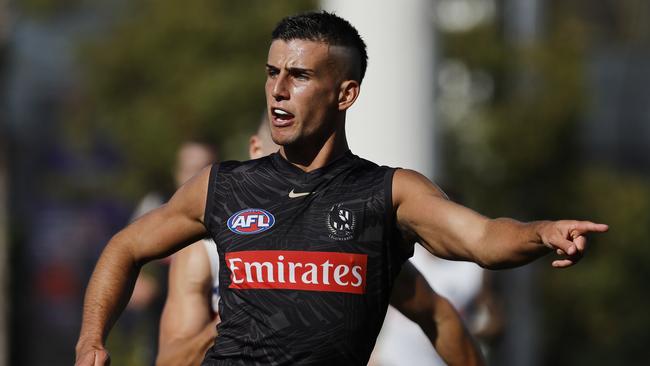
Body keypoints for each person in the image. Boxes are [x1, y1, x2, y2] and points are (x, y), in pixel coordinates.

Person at [75, 11, 608, 366]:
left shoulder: (388, 194)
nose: (278, 91)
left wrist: (541, 233)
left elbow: (483, 241)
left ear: (345, 93)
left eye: (300, 76)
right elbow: (124, 247)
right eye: (271, 72)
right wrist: (91, 340)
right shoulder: (222, 187)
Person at [156, 120, 484, 366]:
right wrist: (248, 319)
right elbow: (170, 362)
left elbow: (438, 315)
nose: (297, 177)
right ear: (255, 153)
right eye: (281, 159)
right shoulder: (205, 252)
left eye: (308, 162)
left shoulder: (351, 241)